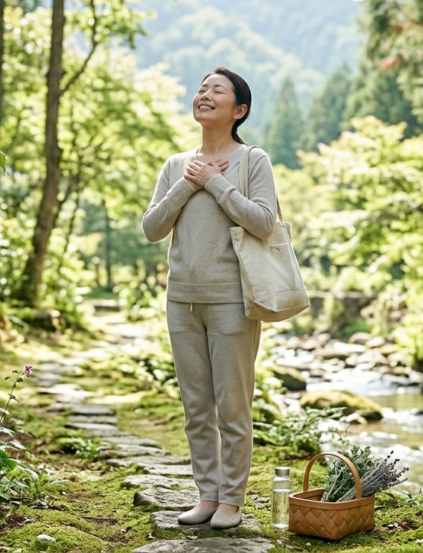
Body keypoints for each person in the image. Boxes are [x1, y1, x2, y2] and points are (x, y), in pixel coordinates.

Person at [142, 67, 278, 530]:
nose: (204, 94)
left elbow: (264, 223)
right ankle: (207, 495)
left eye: (217, 90)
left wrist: (216, 183)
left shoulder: (252, 161)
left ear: (239, 110)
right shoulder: (175, 164)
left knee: (233, 406)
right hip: (181, 299)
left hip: (232, 301)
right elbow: (152, 228)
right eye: (201, 88)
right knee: (196, 406)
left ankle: (232, 501)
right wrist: (189, 182)